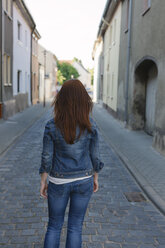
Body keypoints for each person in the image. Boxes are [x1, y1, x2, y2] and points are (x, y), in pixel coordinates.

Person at [39, 79, 104, 248]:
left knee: (54, 226)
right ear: (84, 101)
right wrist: (95, 177)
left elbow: (47, 156)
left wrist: (43, 180)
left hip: (58, 180)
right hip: (84, 179)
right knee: (75, 227)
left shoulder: (51, 126)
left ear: (61, 100)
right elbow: (95, 155)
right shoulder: (91, 125)